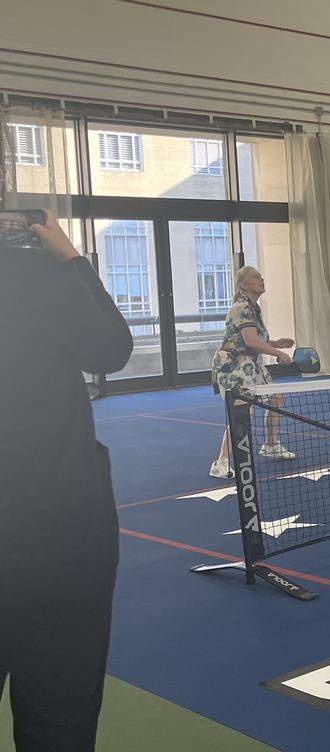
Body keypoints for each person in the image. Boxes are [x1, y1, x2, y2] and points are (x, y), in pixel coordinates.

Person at [0, 211, 133, 749]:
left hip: (54, 542)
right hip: (56, 543)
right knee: (59, 723)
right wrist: (72, 259)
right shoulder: (33, 275)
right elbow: (111, 350)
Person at [209, 266, 296, 478]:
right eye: (256, 277)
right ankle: (221, 462)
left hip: (251, 363)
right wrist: (278, 353)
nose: (261, 280)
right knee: (242, 411)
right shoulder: (241, 308)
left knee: (276, 399)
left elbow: (253, 339)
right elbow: (251, 341)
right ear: (244, 284)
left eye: (261, 277)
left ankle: (271, 444)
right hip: (233, 365)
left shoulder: (253, 308)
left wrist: (277, 343)